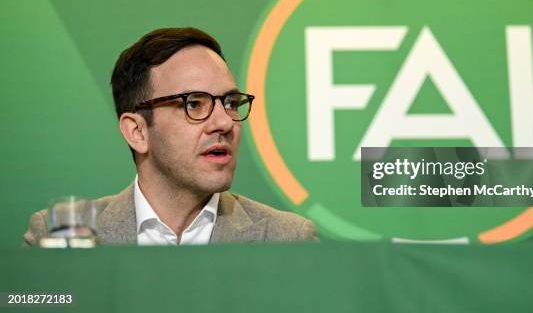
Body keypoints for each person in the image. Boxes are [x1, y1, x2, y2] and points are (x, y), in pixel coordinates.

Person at [24, 27, 317, 245]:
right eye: (194, 104)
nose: (225, 123)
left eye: (230, 103)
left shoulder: (288, 240)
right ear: (137, 131)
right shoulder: (60, 239)